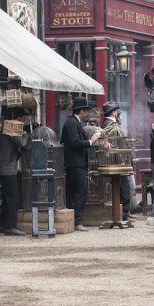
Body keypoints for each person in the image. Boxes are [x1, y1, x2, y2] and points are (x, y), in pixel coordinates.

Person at [60, 97, 102, 231]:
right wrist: (92, 141)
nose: (87, 114)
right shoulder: (72, 123)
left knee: (73, 191)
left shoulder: (75, 123)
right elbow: (74, 143)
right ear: (81, 111)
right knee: (80, 191)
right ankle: (77, 221)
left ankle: (72, 220)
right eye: (86, 111)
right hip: (74, 163)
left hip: (76, 163)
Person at [0, 111, 30, 236]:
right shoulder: (11, 126)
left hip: (6, 167)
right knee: (13, 198)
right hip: (7, 168)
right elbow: (21, 143)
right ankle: (11, 226)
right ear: (18, 118)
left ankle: (3, 225)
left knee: (7, 198)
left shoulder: (6, 126)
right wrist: (26, 135)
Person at [101, 102, 134, 221]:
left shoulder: (106, 123)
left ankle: (124, 213)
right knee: (124, 189)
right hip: (116, 161)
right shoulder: (111, 125)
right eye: (116, 111)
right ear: (113, 112)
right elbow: (114, 143)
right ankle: (124, 215)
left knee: (123, 188)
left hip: (114, 160)